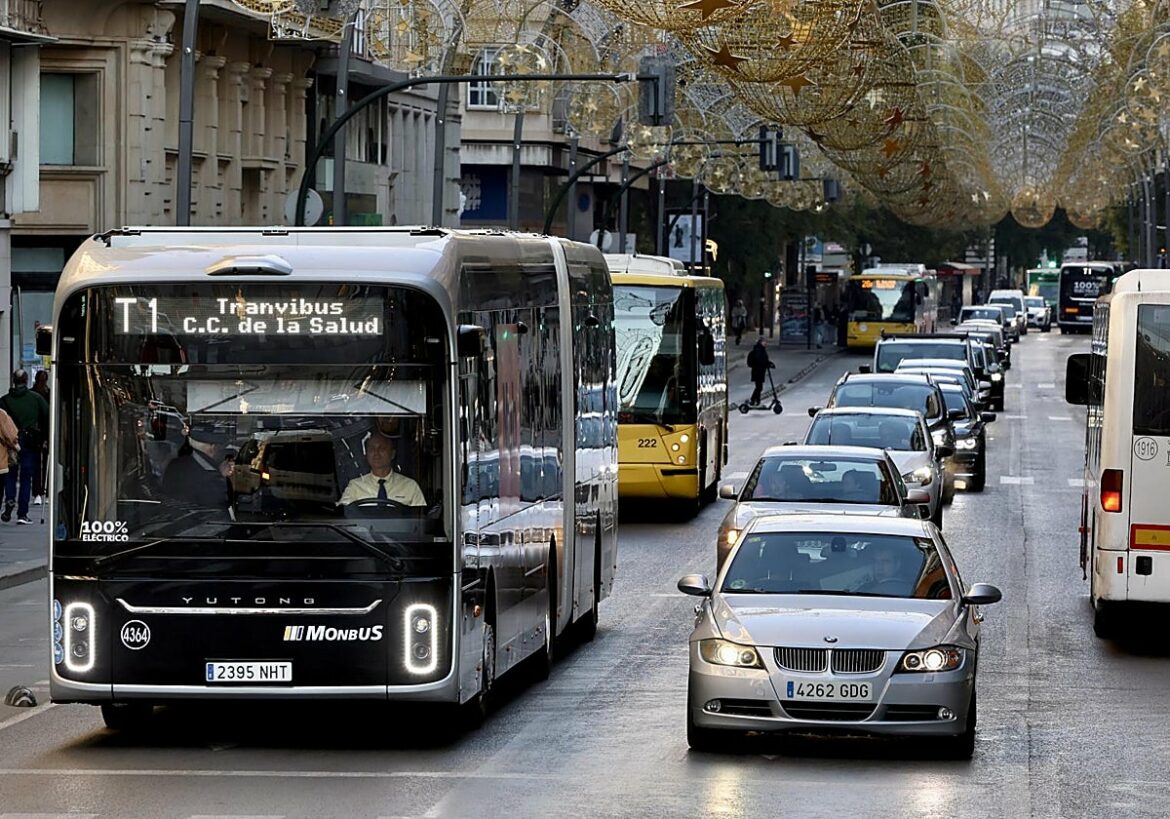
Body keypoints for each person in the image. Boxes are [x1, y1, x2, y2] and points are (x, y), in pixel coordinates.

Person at [0, 370, 49, 524]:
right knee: (26, 477)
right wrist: (46, 438)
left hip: (10, 443)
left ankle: (9, 499)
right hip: (30, 441)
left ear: (13, 381)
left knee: (11, 474)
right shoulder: (36, 399)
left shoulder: (4, 401)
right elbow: (47, 417)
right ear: (26, 381)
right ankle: (22, 514)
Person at [338, 432, 426, 507]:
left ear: (392, 454)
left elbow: (420, 520)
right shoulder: (355, 486)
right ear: (366, 455)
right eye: (372, 449)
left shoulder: (410, 486)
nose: (376, 453)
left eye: (382, 448)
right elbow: (343, 517)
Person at [161, 421, 234, 510]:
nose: (223, 452)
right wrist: (223, 477)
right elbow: (220, 503)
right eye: (222, 446)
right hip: (204, 520)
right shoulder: (210, 475)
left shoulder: (175, 464)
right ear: (213, 447)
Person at [31, 370, 49, 506]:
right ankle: (45, 491)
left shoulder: (32, 394)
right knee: (45, 463)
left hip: (36, 432)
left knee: (37, 464)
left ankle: (38, 492)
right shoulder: (48, 394)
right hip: (44, 432)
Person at [746, 337, 774, 406]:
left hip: (760, 371)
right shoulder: (759, 350)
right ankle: (754, 400)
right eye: (764, 342)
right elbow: (760, 360)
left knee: (759, 387)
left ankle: (756, 400)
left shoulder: (761, 349)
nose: (765, 343)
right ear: (760, 342)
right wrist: (767, 364)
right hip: (757, 371)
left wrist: (769, 363)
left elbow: (764, 359)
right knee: (759, 387)